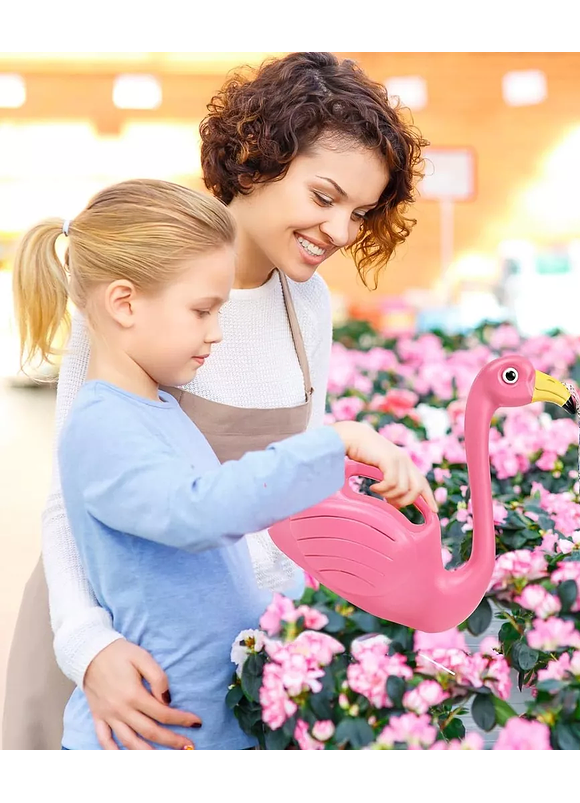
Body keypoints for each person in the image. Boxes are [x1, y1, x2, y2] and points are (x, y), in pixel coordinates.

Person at [1, 51, 432, 751]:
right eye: (323, 198)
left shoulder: (307, 303)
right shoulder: (140, 290)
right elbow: (67, 497)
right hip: (122, 645)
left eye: (359, 211)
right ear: (256, 158)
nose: (341, 232)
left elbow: (289, 485)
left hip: (229, 646)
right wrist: (88, 648)